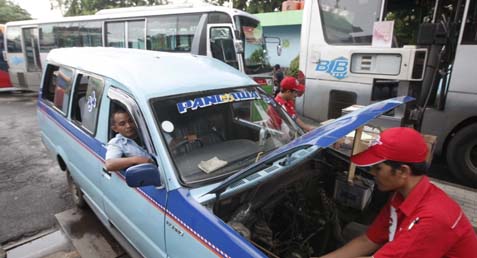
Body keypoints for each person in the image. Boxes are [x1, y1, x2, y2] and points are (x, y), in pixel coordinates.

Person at [320, 127, 477, 258]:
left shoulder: (431, 219)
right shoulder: (401, 196)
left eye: (378, 168)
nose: (372, 173)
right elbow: (368, 241)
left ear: (402, 171)